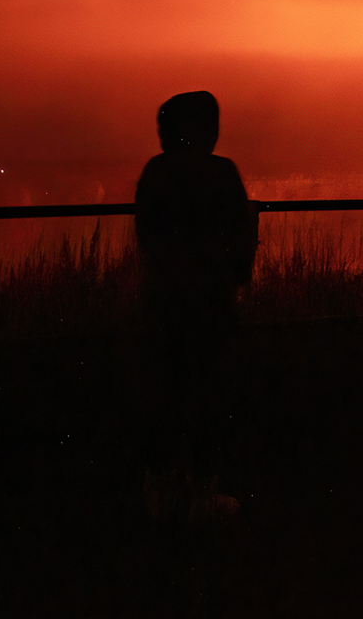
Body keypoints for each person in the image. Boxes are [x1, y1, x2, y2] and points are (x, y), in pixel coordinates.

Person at [135, 89, 259, 521]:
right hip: (209, 304)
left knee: (163, 395)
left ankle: (160, 490)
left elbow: (147, 237)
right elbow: (240, 242)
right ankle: (202, 493)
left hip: (162, 302)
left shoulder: (154, 173)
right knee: (206, 394)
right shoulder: (222, 175)